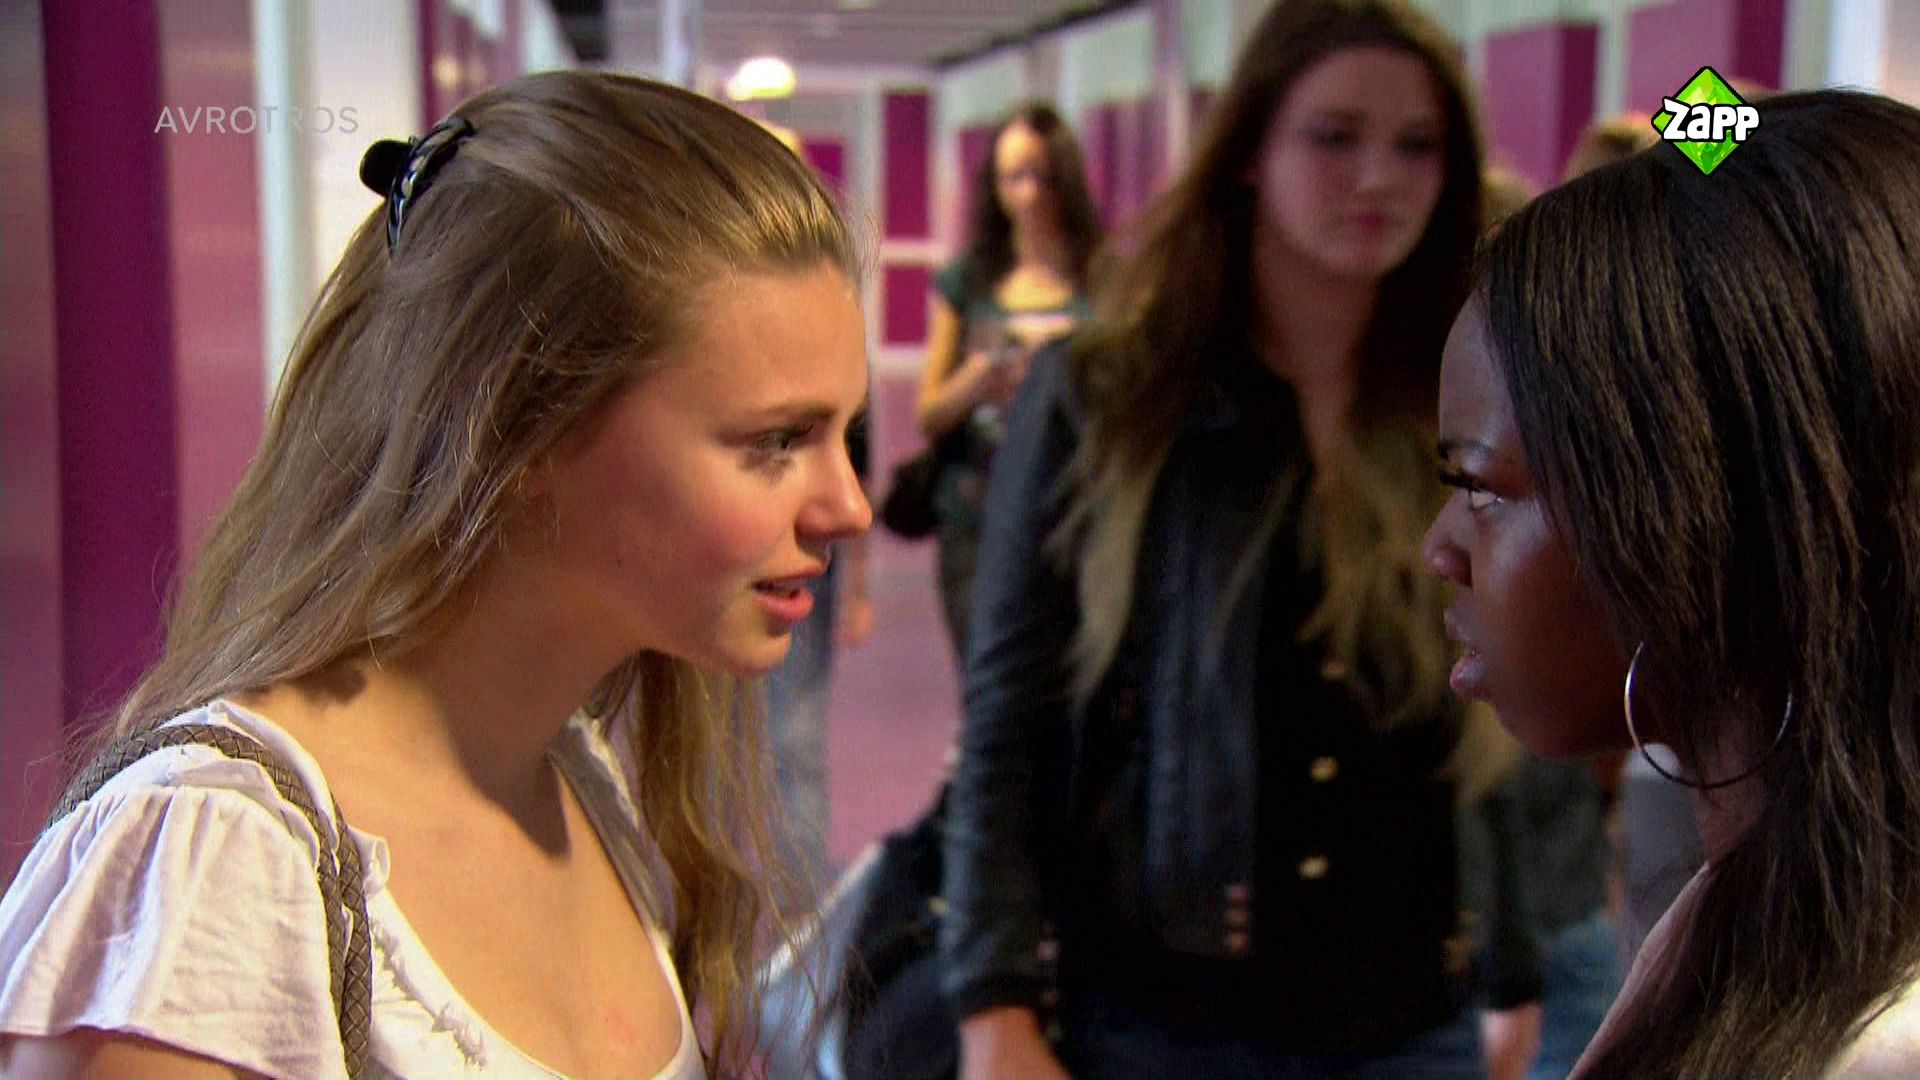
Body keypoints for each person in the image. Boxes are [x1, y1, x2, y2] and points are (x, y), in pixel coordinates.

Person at [0, 71, 871, 1079]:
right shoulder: (217, 870)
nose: (848, 507)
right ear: (522, 424)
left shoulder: (580, 777)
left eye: (844, 434)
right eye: (776, 441)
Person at [943, 3, 1542, 1078]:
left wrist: (1512, 961)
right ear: (1252, 151)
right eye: (1334, 136)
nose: (1378, 178)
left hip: (1411, 1014)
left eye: (1417, 146)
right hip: (1165, 1018)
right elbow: (1008, 716)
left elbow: (1484, 702)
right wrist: (993, 997)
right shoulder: (1110, 395)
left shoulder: (1459, 399)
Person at [1424, 89, 1920, 1078]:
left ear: (1697, 514)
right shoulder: (1757, 916)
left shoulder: (1875, 1048)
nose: (1440, 547)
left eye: (1479, 487)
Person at [915, 102, 1100, 660]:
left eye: (1042, 176)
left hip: (1074, 509)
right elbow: (929, 413)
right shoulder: (971, 281)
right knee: (989, 667)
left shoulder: (1101, 277)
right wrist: (982, 372)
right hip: (979, 511)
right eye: (1012, 178)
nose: (1028, 195)